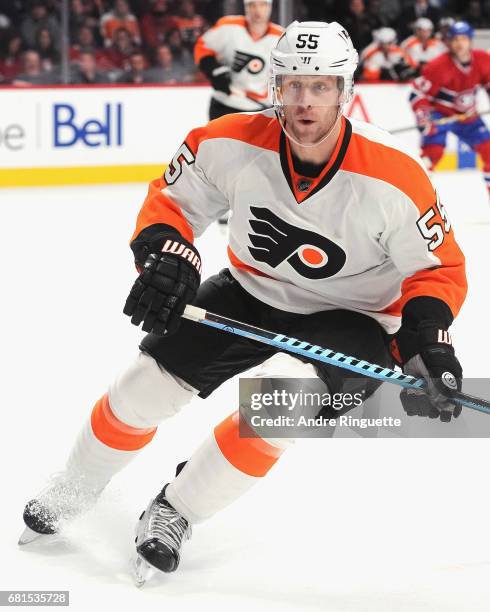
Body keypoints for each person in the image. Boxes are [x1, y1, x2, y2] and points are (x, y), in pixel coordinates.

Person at [20, 21, 467, 584]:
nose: (304, 101)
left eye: (321, 86)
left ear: (345, 91)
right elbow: (172, 203)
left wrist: (426, 339)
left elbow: (437, 269)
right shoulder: (227, 140)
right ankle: (76, 483)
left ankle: (176, 510)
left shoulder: (396, 178)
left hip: (353, 317)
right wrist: (167, 255)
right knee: (144, 386)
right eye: (292, 84)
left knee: (277, 408)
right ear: (275, 86)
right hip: (252, 290)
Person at [410, 20, 490, 198]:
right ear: (449, 42)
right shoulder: (438, 66)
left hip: (469, 116)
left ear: (470, 40)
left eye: (463, 39)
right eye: (454, 39)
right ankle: (414, 197)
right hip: (441, 116)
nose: (459, 43)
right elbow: (417, 94)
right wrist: (423, 116)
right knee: (432, 155)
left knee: (489, 151)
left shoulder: (483, 59)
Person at [194, 0, 283, 120]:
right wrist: (214, 71)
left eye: (263, 4)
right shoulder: (228, 26)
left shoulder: (281, 37)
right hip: (224, 105)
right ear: (246, 7)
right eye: (252, 5)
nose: (257, 10)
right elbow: (202, 47)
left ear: (270, 7)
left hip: (259, 109)